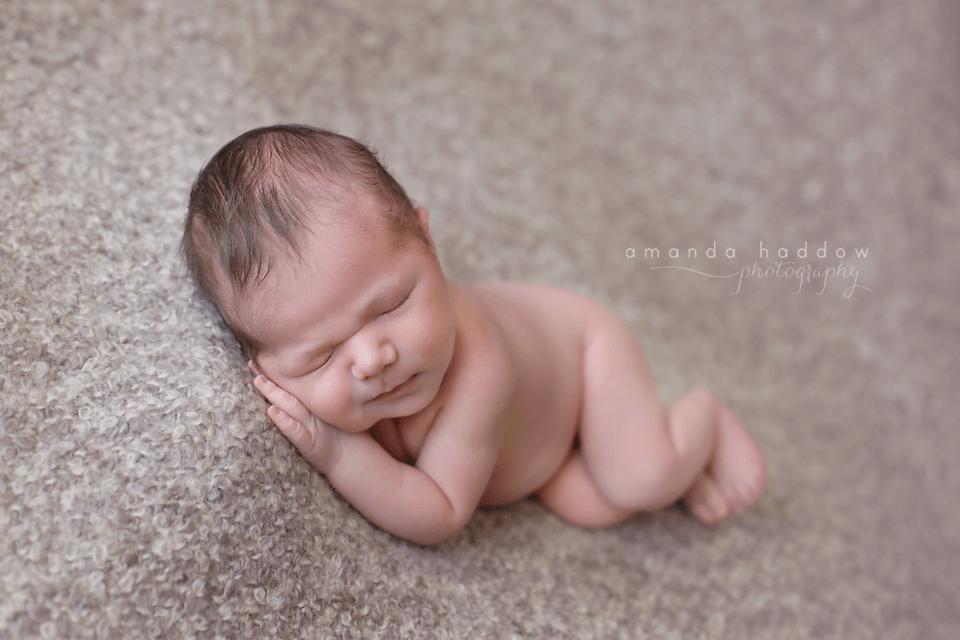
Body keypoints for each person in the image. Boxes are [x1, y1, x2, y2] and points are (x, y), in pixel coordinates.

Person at [182, 124, 768, 546]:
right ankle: (680, 465)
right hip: (539, 444)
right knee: (590, 506)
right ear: (264, 365)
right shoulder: (360, 352)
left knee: (640, 476)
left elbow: (439, 510)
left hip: (582, 356)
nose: (371, 358)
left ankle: (702, 420)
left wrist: (337, 451)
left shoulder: (478, 369)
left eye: (390, 305)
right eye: (320, 357)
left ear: (427, 239)